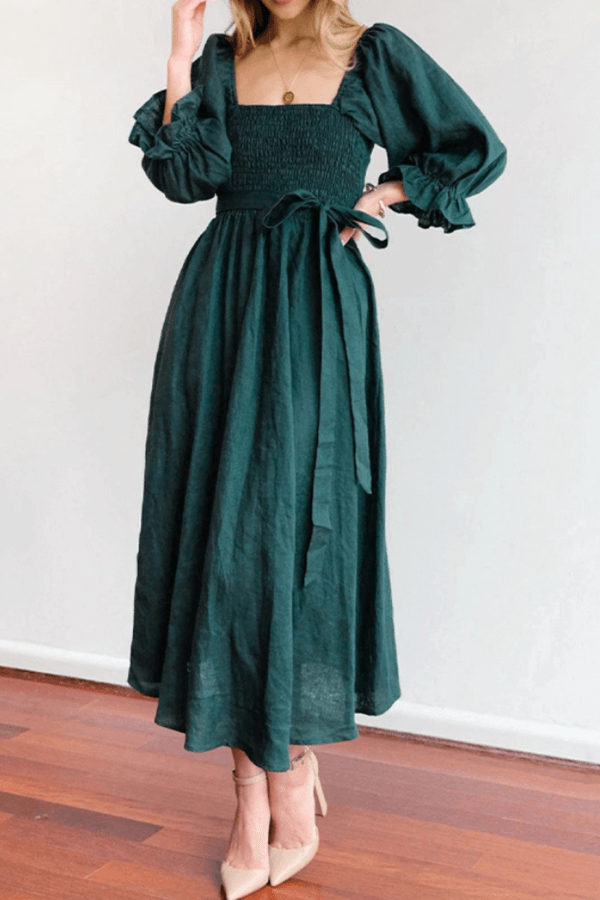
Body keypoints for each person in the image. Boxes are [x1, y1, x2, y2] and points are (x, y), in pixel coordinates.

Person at [126, 0, 507, 896]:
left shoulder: (374, 54)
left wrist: (376, 197)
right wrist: (180, 52)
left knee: (298, 531)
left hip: (315, 308)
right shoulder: (220, 62)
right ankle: (248, 792)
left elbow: (474, 148)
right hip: (219, 307)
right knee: (221, 533)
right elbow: (185, 179)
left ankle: (292, 774)